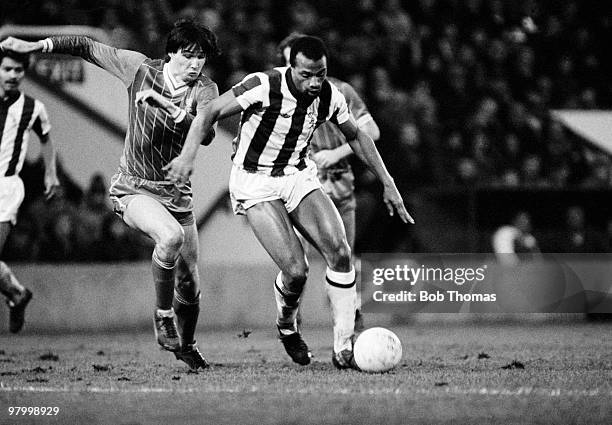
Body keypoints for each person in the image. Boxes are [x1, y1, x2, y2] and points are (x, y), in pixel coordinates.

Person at [164, 36, 414, 369]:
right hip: (256, 182)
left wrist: (388, 182)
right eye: (306, 74)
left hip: (298, 175)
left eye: (320, 74)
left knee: (340, 252)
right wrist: (187, 156)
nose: (314, 82)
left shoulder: (329, 95)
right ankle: (286, 326)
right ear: (291, 68)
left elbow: (356, 135)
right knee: (297, 270)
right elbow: (209, 110)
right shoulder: (263, 84)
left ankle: (343, 348)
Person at [1, 20, 220, 370]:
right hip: (133, 186)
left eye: (202, 58)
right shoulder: (138, 68)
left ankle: (186, 344)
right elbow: (86, 46)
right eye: (190, 56)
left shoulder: (206, 89)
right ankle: (163, 317)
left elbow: (206, 132)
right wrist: (36, 46)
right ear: (171, 53)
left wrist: (171, 108)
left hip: (176, 194)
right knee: (170, 238)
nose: (196, 65)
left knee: (191, 281)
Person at [277, 33, 382, 332]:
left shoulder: (340, 91)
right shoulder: (275, 93)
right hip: (298, 189)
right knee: (296, 262)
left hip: (340, 188)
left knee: (343, 256)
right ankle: (290, 314)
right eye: (293, 64)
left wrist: (335, 153)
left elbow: (370, 131)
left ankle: (350, 320)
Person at [0, 49, 59, 333]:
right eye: (7, 69)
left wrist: (51, 173)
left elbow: (46, 141)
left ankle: (16, 293)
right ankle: (17, 293)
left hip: (6, 187)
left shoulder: (33, 108)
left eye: (18, 71)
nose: (13, 75)